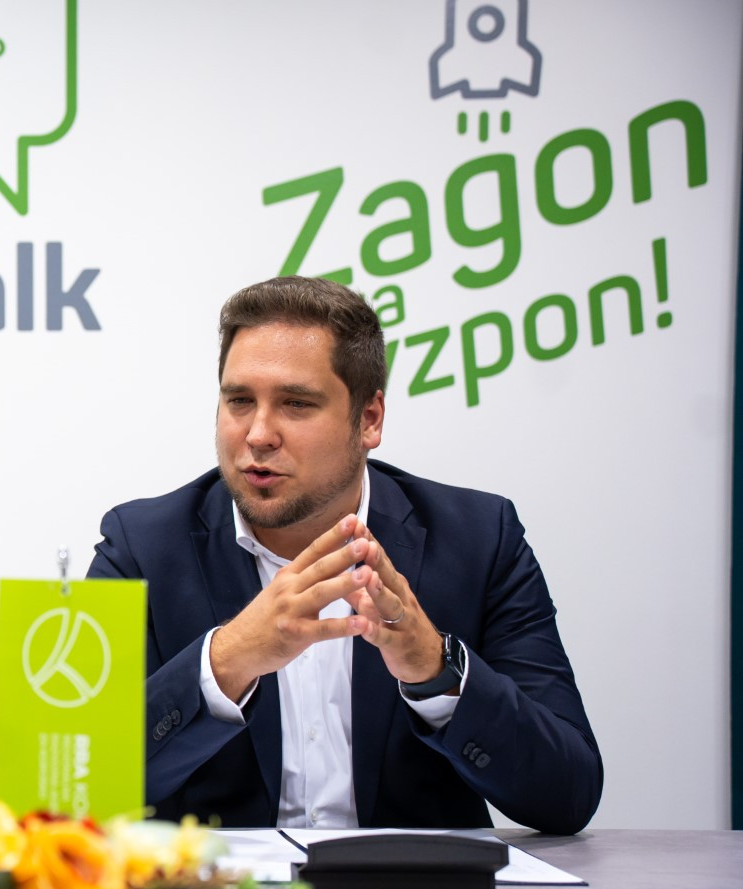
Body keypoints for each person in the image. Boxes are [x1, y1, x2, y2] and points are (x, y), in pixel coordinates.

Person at [87, 276, 602, 835]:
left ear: (369, 419)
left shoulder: (479, 540)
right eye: (239, 401)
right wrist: (226, 663)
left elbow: (568, 795)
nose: (258, 434)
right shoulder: (142, 548)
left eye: (296, 404)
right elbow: (78, 791)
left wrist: (436, 671)